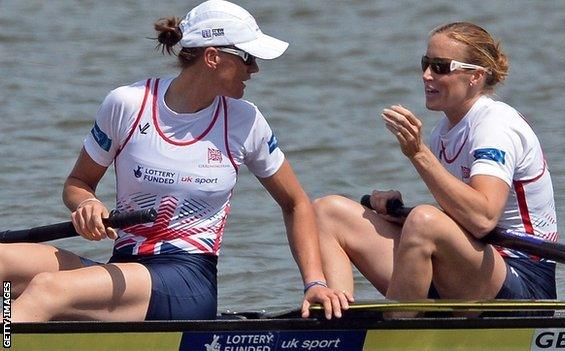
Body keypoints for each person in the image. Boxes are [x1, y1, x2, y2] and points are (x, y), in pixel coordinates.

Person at [4, 0, 351, 321]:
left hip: (186, 279)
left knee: (48, 288)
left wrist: (314, 283)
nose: (255, 69)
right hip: (124, 267)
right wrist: (88, 205)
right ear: (213, 57)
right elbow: (77, 184)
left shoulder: (245, 122)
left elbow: (295, 203)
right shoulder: (127, 104)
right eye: (248, 57)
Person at [314, 22, 557, 302]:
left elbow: (483, 219)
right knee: (327, 211)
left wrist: (419, 154)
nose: (426, 75)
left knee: (424, 221)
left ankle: (398, 332)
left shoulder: (495, 126)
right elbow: (460, 216)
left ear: (475, 77)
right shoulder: (442, 131)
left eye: (440, 67)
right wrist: (400, 213)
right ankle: (339, 316)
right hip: (471, 266)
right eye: (425, 63)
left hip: (523, 280)